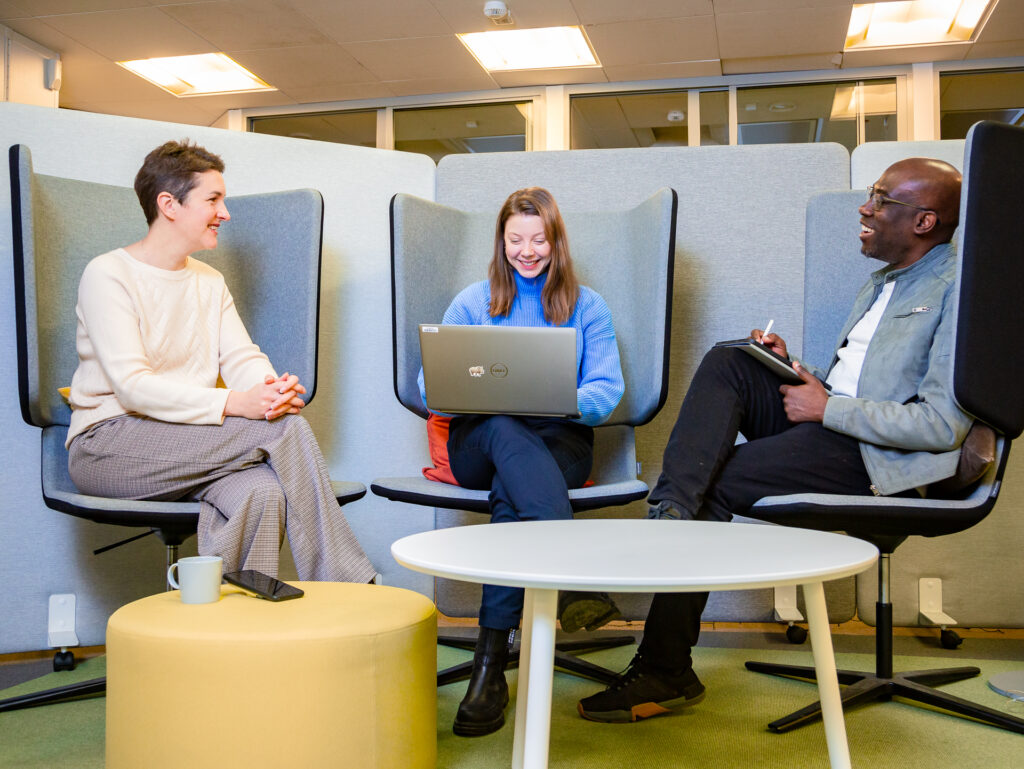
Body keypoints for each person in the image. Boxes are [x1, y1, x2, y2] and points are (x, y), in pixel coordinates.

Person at [578, 157, 971, 723]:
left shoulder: (958, 291)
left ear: (924, 222)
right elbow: (855, 385)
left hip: (883, 460)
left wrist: (827, 406)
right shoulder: (881, 283)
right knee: (733, 358)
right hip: (838, 427)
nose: (864, 208)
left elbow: (942, 426)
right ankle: (669, 516)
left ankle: (665, 665)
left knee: (713, 485)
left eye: (882, 201)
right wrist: (796, 371)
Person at [66, 140, 376, 585]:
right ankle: (349, 584)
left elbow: (241, 357)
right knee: (284, 430)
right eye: (213, 199)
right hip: (109, 446)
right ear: (169, 205)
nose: (225, 212)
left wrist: (269, 392)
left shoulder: (208, 280)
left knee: (263, 492)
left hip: (185, 442)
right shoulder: (108, 274)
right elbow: (133, 387)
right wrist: (238, 405)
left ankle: (229, 624)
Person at [420, 187, 625, 736]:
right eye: (516, 240)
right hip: (480, 443)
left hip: (559, 441)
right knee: (504, 426)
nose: (528, 251)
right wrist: (483, 396)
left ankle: (489, 669)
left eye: (539, 240)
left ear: (557, 242)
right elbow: (429, 386)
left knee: (514, 496)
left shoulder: (589, 306)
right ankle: (573, 575)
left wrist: (557, 398)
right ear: (501, 241)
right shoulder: (471, 301)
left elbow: (607, 392)